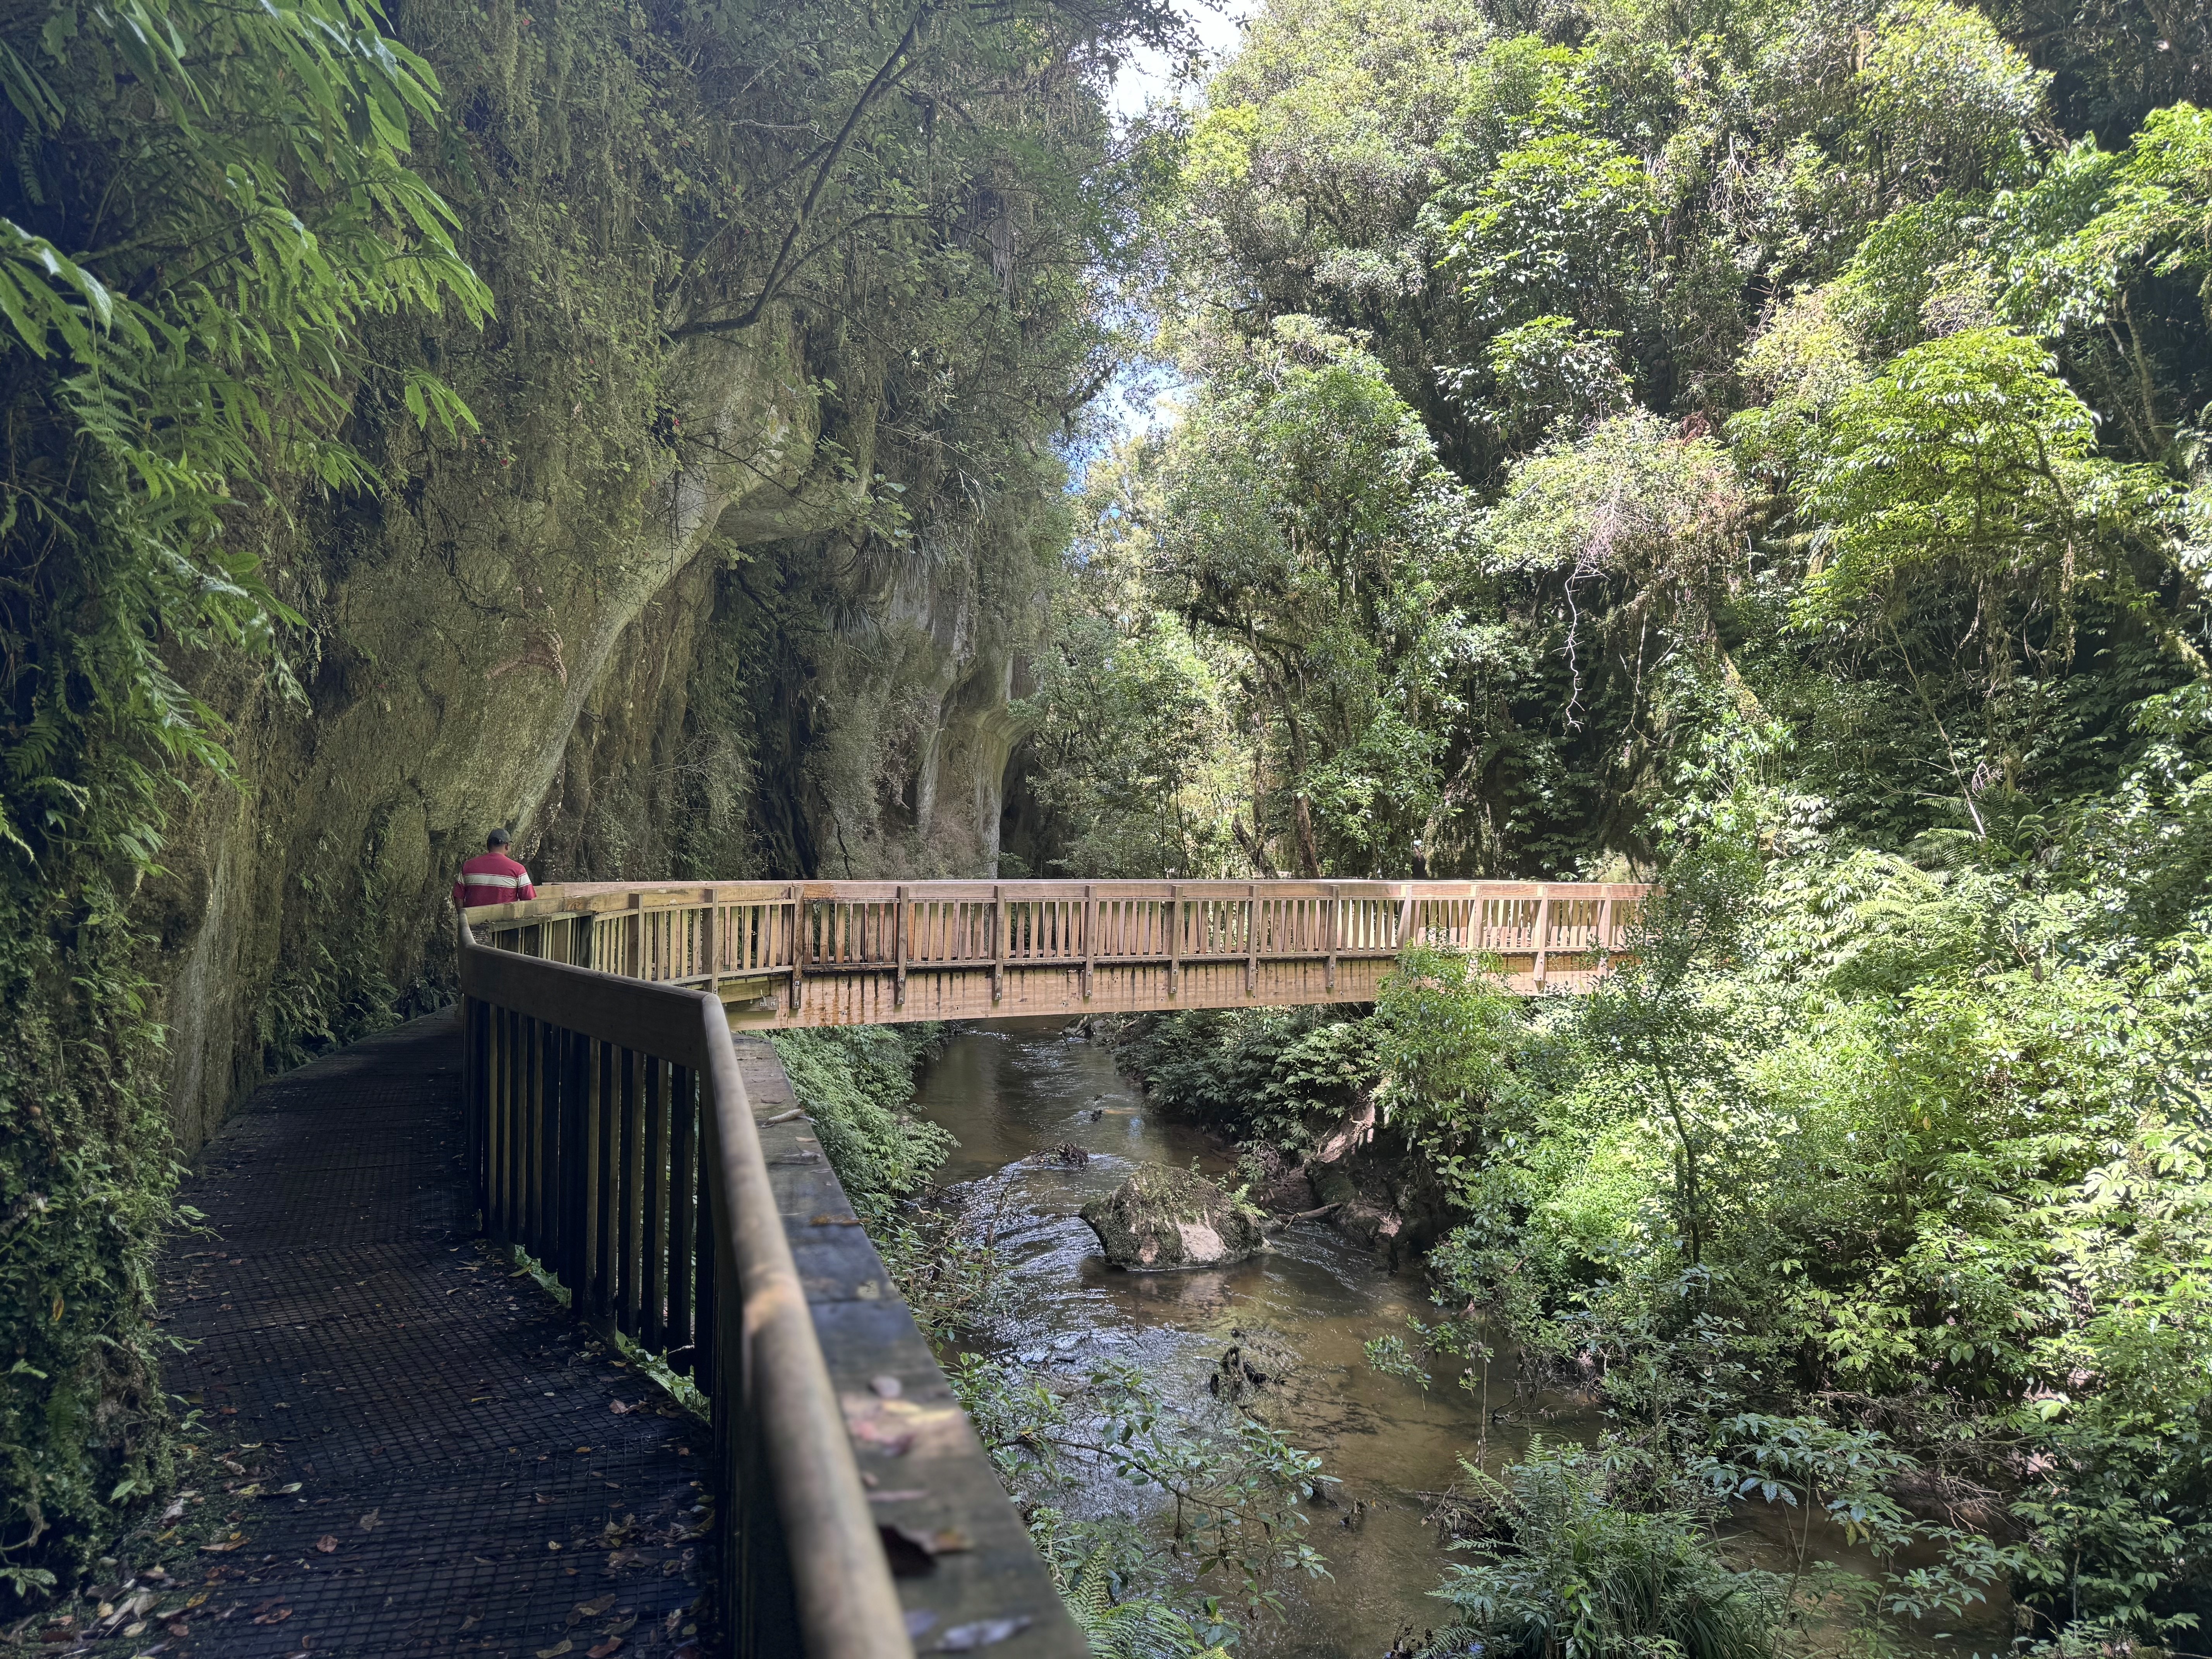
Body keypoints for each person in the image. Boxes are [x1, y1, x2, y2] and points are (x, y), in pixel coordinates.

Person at [453, 829, 536, 909]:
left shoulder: (468, 866)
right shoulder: (518, 869)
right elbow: (528, 899)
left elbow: (458, 895)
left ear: (488, 845)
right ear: (507, 846)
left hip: (472, 921)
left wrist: (463, 917)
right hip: (505, 921)